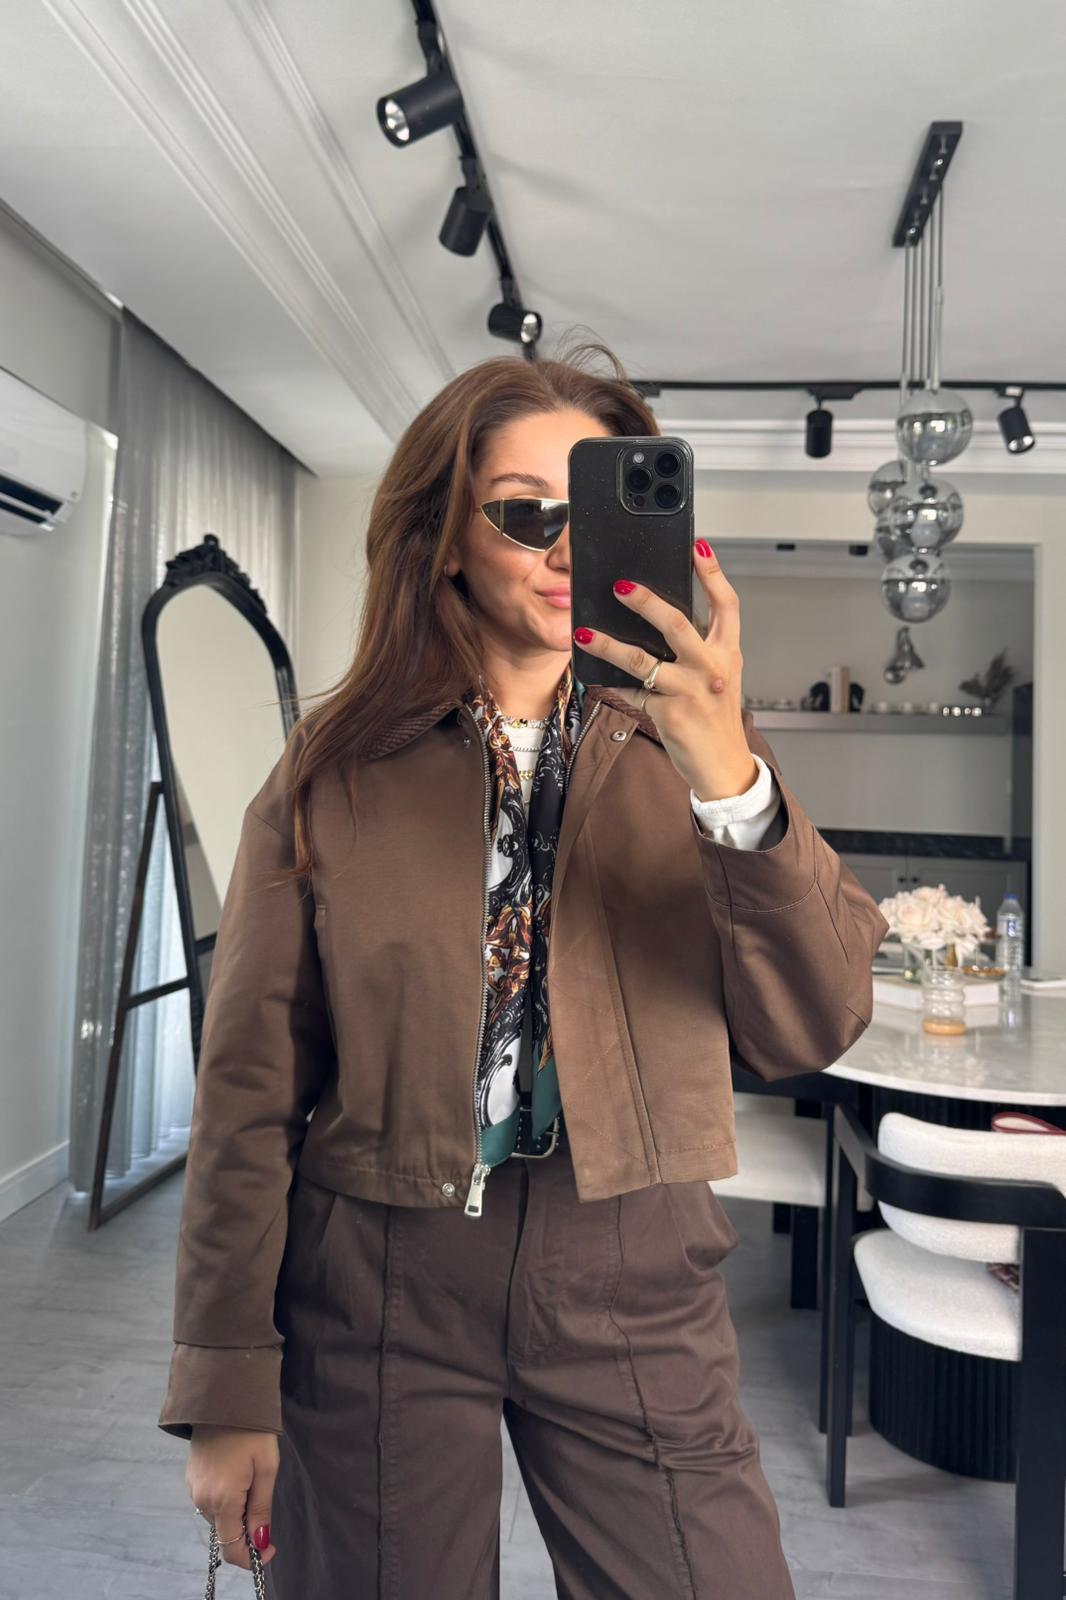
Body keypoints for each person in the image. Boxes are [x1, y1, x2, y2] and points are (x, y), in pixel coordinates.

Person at [158, 341, 889, 1598]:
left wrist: (728, 773)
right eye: (523, 514)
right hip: (378, 1278)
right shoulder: (329, 776)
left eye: (590, 512)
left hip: (633, 1270)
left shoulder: (700, 755)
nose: (564, 550)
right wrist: (226, 1380)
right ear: (446, 539)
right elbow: (247, 1096)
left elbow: (813, 1023)